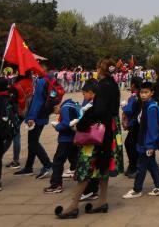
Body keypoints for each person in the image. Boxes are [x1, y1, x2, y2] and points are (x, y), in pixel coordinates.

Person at [53, 59, 124, 219]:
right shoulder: (112, 84)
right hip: (111, 128)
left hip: (101, 130)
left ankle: (73, 205)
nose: (96, 70)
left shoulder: (103, 86)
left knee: (87, 165)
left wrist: (83, 122)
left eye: (98, 67)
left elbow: (99, 110)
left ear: (102, 69)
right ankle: (102, 200)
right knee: (103, 165)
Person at [122, 81, 159, 199]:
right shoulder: (145, 104)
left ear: (151, 93)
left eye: (146, 92)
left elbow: (153, 129)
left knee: (141, 166)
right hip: (144, 140)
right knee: (151, 164)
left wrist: (150, 145)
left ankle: (137, 189)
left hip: (147, 143)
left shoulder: (151, 107)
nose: (143, 95)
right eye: (141, 92)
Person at [15, 68, 53, 179]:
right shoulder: (48, 80)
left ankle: (47, 165)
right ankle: (28, 167)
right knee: (32, 141)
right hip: (43, 114)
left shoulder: (41, 82)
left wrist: (31, 117)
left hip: (37, 116)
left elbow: (37, 101)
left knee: (33, 142)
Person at [44, 92, 80, 194]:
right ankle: (87, 183)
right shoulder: (72, 104)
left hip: (66, 139)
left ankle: (56, 184)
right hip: (74, 138)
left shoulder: (64, 108)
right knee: (75, 160)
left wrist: (57, 127)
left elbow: (66, 123)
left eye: (55, 111)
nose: (56, 114)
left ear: (56, 106)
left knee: (57, 162)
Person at [121, 76, 143, 178]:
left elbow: (128, 110)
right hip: (140, 124)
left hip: (135, 124)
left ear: (133, 85)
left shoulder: (134, 97)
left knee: (130, 144)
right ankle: (134, 166)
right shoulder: (141, 95)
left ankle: (134, 166)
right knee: (134, 144)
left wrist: (123, 106)